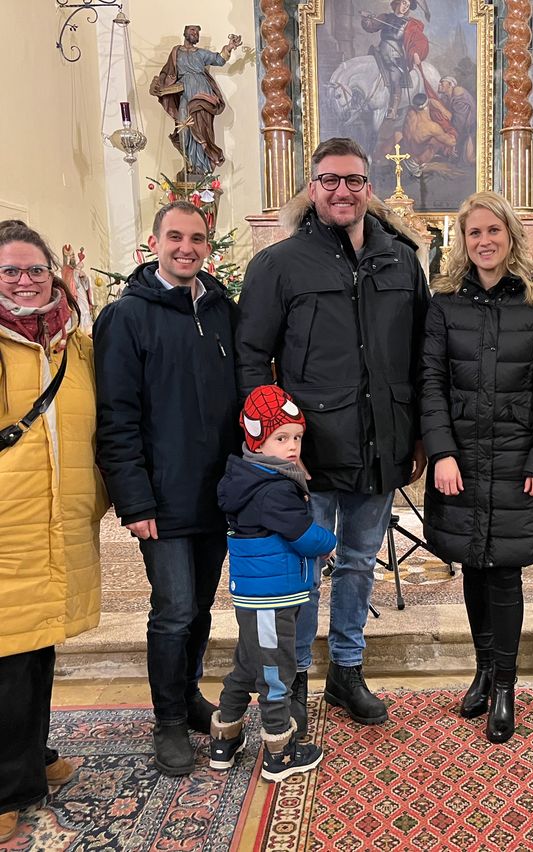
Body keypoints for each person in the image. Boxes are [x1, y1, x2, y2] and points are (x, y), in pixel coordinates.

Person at [235, 137, 430, 733]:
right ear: (312, 188)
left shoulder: (400, 259)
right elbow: (251, 357)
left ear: (368, 187)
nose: (342, 190)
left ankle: (347, 669)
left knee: (358, 562)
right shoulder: (279, 264)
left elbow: (424, 352)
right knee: (300, 566)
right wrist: (265, 444)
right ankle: (295, 677)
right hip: (306, 449)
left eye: (352, 180)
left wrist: (418, 432)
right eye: (329, 180)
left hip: (379, 440)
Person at [94, 201, 241, 776]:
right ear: (154, 243)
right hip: (161, 496)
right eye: (175, 237)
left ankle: (188, 696)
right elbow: (116, 418)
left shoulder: (223, 310)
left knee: (201, 606)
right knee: (174, 609)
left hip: (217, 492)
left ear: (209, 247)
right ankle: (168, 722)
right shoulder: (127, 317)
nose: (187, 247)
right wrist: (134, 500)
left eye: (197, 238)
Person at [420, 191, 533, 742]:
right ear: (461, 241)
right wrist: (441, 452)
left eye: (494, 231)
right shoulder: (443, 303)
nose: (484, 241)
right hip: (459, 457)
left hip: (516, 458)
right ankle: (483, 670)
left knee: (504, 571)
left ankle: (505, 684)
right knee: (473, 566)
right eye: (474, 233)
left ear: (511, 235)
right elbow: (429, 383)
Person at [0, 221, 109, 843]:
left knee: (38, 650)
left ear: (53, 274)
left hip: (57, 518)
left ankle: (32, 758)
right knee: (7, 659)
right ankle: (7, 787)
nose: (24, 280)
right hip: (9, 522)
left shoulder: (74, 345)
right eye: (11, 270)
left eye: (35, 270)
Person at [210, 385, 334, 780]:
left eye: (297, 438)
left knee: (246, 667)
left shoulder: (253, 477)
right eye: (281, 438)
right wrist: (329, 544)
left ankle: (224, 738)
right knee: (277, 674)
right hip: (271, 600)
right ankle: (280, 751)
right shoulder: (272, 489)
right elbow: (302, 534)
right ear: (256, 439)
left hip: (258, 598)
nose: (292, 446)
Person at [150, 26, 242, 175]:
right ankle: (190, 164)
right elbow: (167, 72)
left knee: (202, 128)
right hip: (185, 93)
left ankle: (202, 167)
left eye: (197, 32)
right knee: (183, 128)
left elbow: (219, 59)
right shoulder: (176, 52)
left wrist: (229, 47)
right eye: (192, 30)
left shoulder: (201, 53)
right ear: (185, 33)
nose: (195, 33)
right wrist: (157, 85)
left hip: (202, 95)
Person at [361, 0, 429, 120]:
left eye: (407, 6)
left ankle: (393, 109)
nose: (405, 7)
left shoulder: (409, 23)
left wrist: (416, 53)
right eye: (403, 3)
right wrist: (367, 19)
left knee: (395, 77)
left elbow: (418, 39)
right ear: (397, 3)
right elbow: (371, 27)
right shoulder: (386, 17)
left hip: (395, 54)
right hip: (380, 50)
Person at [399, 92, 456, 164]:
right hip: (418, 159)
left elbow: (427, 103)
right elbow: (452, 142)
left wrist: (441, 109)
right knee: (437, 142)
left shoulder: (410, 113)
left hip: (406, 154)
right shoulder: (431, 126)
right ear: (427, 105)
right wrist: (451, 131)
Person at [438, 76, 476, 164]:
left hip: (468, 131)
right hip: (460, 130)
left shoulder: (458, 93)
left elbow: (460, 121)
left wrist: (452, 138)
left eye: (442, 83)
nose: (439, 85)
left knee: (468, 160)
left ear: (450, 85)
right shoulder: (446, 98)